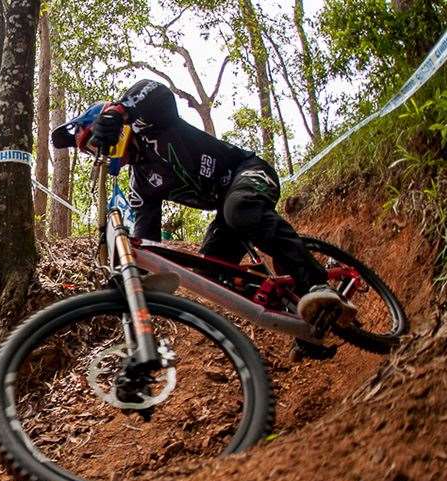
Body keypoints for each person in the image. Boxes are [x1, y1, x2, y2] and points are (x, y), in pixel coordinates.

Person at [53, 78, 355, 338]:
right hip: (226, 207)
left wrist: (119, 111)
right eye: (91, 150)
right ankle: (302, 320)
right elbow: (148, 238)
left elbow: (156, 91)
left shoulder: (152, 123)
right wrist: (133, 276)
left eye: (94, 141)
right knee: (212, 269)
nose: (98, 149)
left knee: (240, 209)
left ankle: (316, 284)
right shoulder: (141, 183)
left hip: (248, 171)